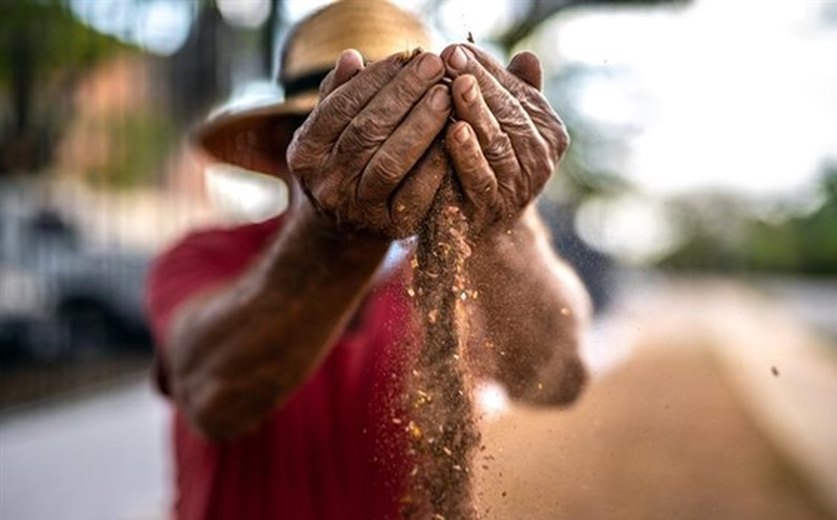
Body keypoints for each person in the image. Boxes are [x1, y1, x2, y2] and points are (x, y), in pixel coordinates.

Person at [146, 1, 590, 518]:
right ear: (281, 144)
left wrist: (500, 221)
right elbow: (213, 394)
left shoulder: (458, 276)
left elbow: (558, 377)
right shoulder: (206, 255)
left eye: (414, 138)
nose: (384, 156)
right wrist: (335, 232)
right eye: (334, 129)